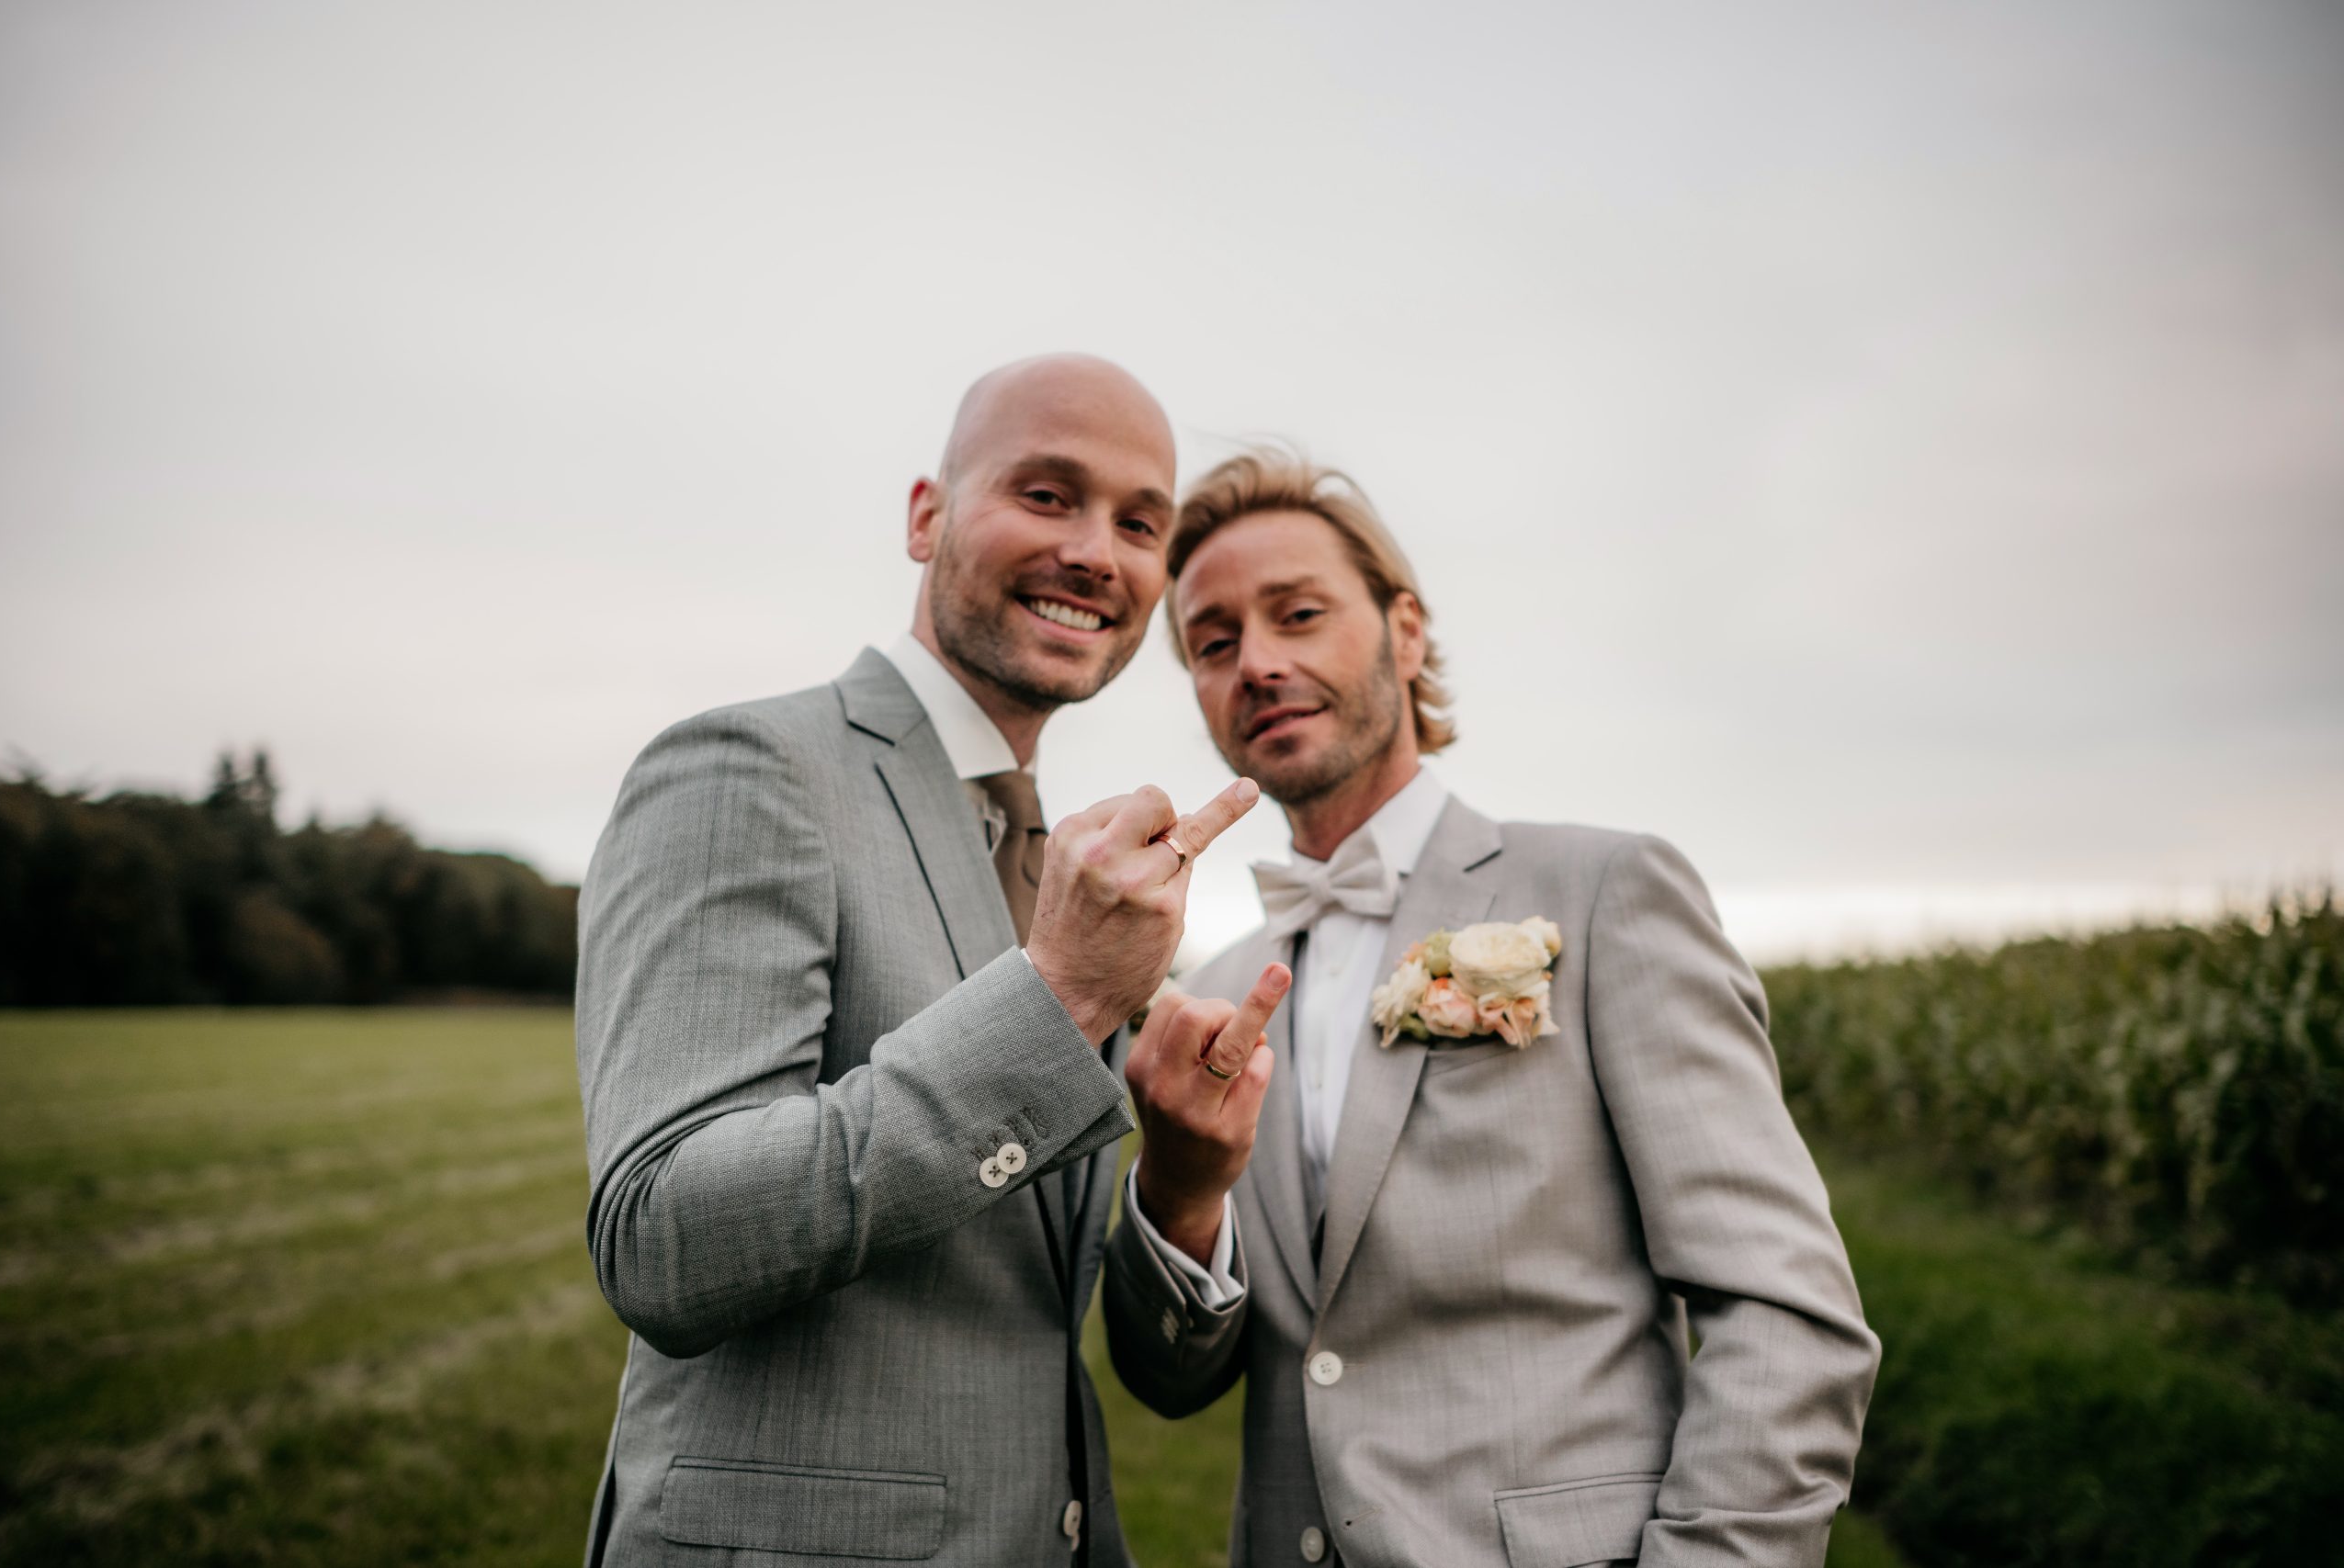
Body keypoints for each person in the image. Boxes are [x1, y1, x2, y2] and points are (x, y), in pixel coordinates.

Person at [1105, 449, 1881, 1567]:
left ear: (1405, 631)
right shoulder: (1214, 992)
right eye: (1215, 642)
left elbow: (1785, 1315)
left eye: (1299, 614)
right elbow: (1169, 1382)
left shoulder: (1606, 895)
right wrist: (1179, 1190)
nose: (1257, 663)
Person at [573, 355, 1272, 1567]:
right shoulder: (749, 765)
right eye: (1047, 495)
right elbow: (662, 1238)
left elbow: (1106, 1347)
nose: (1098, 551)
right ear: (926, 515)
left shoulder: (1065, 862)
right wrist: (1057, 1002)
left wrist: (1185, 1184)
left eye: (1138, 521)